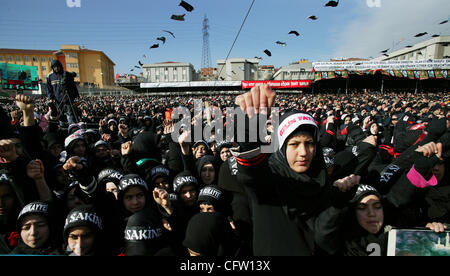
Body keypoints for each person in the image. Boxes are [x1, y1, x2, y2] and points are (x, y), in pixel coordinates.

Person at [231, 85, 361, 256]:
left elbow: (325, 240)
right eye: (294, 144)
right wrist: (247, 128)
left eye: (309, 143)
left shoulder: (322, 182)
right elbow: (251, 173)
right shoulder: (270, 182)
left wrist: (336, 204)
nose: (303, 153)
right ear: (282, 147)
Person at [46, 59, 80, 125]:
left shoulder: (65, 74)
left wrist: (76, 95)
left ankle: (73, 127)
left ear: (60, 66)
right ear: (52, 67)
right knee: (60, 116)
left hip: (68, 99)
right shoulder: (50, 77)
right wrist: (50, 98)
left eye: (57, 66)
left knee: (71, 115)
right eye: (54, 67)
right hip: (58, 101)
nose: (56, 68)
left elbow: (73, 85)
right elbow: (49, 89)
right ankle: (63, 128)